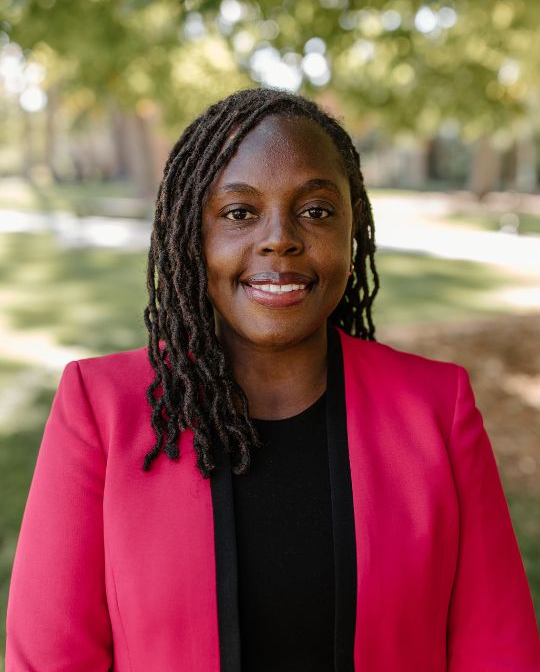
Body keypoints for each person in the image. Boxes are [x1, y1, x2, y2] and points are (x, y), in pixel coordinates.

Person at [5, 88, 540, 671]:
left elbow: (498, 650)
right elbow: (52, 659)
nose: (279, 237)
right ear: (194, 235)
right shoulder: (101, 409)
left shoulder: (438, 407)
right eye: (239, 213)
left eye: (315, 211)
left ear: (352, 229)